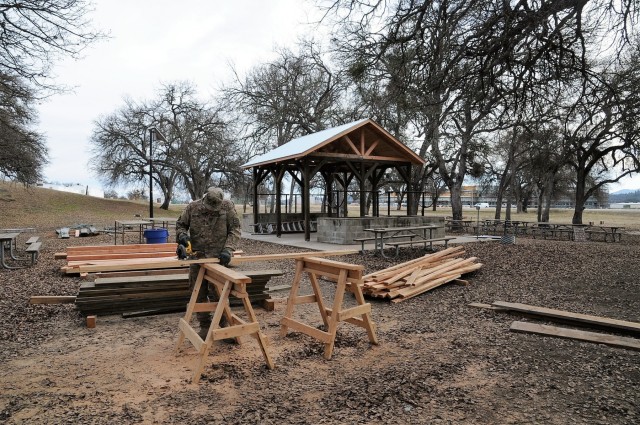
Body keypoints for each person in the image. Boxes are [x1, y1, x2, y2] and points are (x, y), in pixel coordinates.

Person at [175, 187, 241, 339]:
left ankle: (224, 325)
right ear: (204, 200)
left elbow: (235, 228)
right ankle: (204, 326)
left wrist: (228, 249)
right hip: (197, 258)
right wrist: (183, 236)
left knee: (220, 292)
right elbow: (180, 224)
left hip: (218, 259)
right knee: (198, 293)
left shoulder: (227, 207)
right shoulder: (193, 207)